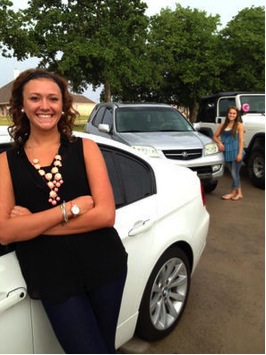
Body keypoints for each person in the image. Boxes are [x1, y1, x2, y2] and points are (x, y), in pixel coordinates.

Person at [0, 68, 128, 353]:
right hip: (52, 277)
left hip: (105, 266)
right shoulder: (6, 163)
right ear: (21, 104)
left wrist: (32, 225)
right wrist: (70, 209)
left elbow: (106, 215)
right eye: (35, 98)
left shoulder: (87, 148)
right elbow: (6, 232)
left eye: (53, 99)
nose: (45, 106)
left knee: (103, 347)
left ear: (63, 106)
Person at [213, 106, 245, 201]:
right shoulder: (223, 125)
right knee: (234, 174)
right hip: (227, 152)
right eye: (230, 113)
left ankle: (232, 193)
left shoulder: (239, 125)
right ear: (227, 114)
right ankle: (239, 193)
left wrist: (239, 154)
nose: (232, 115)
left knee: (234, 173)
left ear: (236, 115)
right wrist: (219, 143)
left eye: (234, 113)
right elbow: (214, 136)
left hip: (236, 152)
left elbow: (241, 141)